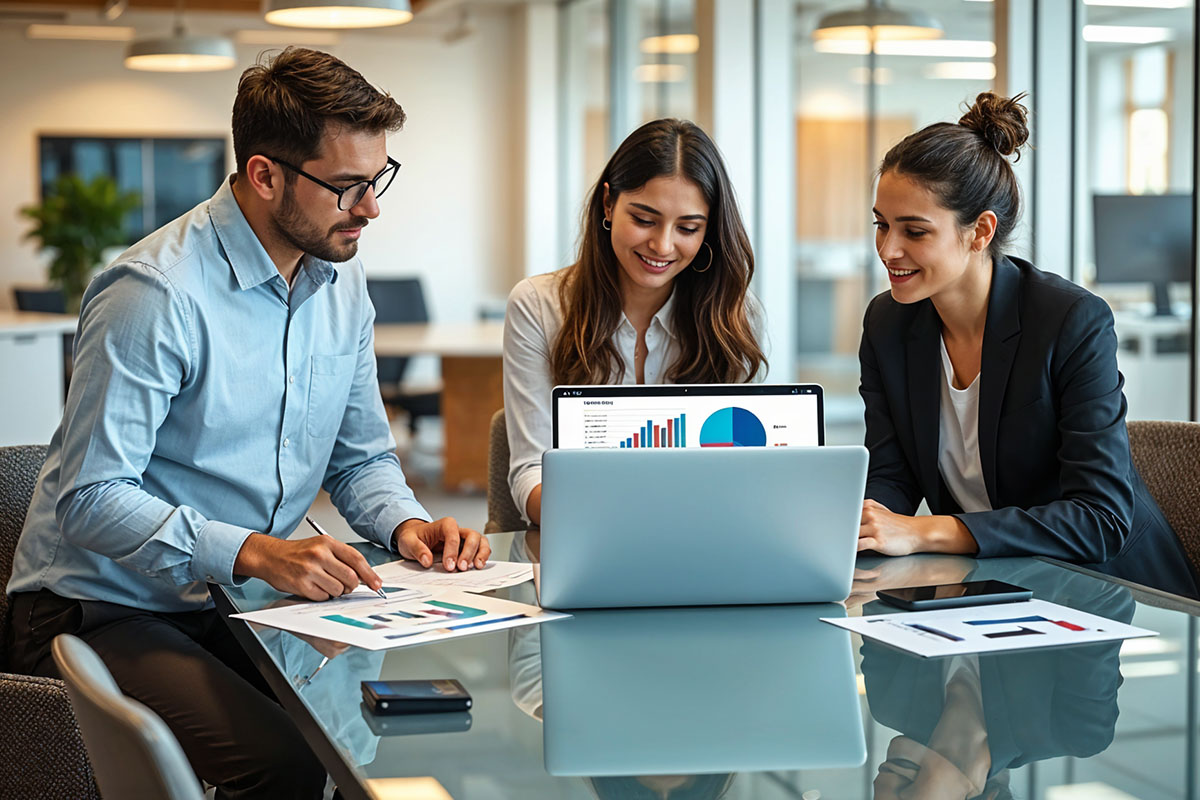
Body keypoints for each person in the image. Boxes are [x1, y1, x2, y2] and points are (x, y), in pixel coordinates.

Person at [6, 47, 489, 799]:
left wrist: (405, 525)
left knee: (356, 740)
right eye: (347, 186)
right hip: (100, 606)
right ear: (265, 175)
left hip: (231, 600)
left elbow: (359, 458)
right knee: (286, 764)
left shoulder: (341, 280)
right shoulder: (154, 293)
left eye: (378, 178)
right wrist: (256, 553)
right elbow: (91, 497)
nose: (371, 207)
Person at [857, 91, 1197, 598]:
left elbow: (1098, 518)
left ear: (980, 232)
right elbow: (891, 476)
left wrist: (928, 530)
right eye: (882, 224)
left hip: (1111, 594)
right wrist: (864, 524)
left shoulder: (1069, 320)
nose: (888, 249)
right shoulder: (889, 322)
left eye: (915, 231)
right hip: (995, 588)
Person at [503, 118, 767, 525]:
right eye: (644, 220)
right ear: (608, 204)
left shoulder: (732, 315)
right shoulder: (538, 306)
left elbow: (744, 472)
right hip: (586, 535)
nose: (662, 245)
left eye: (688, 228)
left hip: (700, 536)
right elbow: (531, 473)